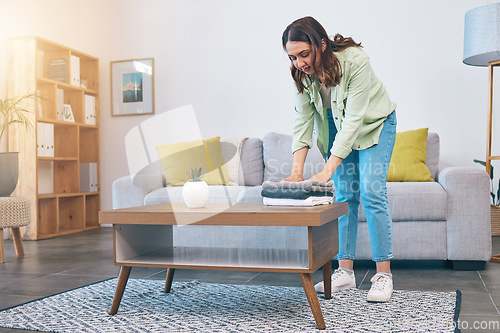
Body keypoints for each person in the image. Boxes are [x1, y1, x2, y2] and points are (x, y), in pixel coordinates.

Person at [282, 16, 397, 302]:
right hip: (336, 125)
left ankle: (383, 274)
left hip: (374, 124)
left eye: (304, 54)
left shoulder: (355, 60)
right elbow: (302, 122)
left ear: (322, 44)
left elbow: (355, 120)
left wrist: (327, 170)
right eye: (292, 57)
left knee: (371, 192)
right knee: (344, 196)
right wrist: (297, 172)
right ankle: (345, 271)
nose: (299, 63)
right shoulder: (301, 75)